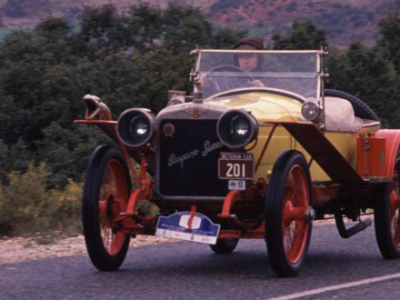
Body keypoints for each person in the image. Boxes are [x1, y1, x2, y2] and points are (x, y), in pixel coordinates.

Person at [197, 37, 265, 92]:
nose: (245, 61)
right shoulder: (228, 80)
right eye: (241, 57)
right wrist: (206, 87)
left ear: (259, 58)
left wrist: (263, 91)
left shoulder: (272, 79)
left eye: (249, 56)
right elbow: (216, 100)